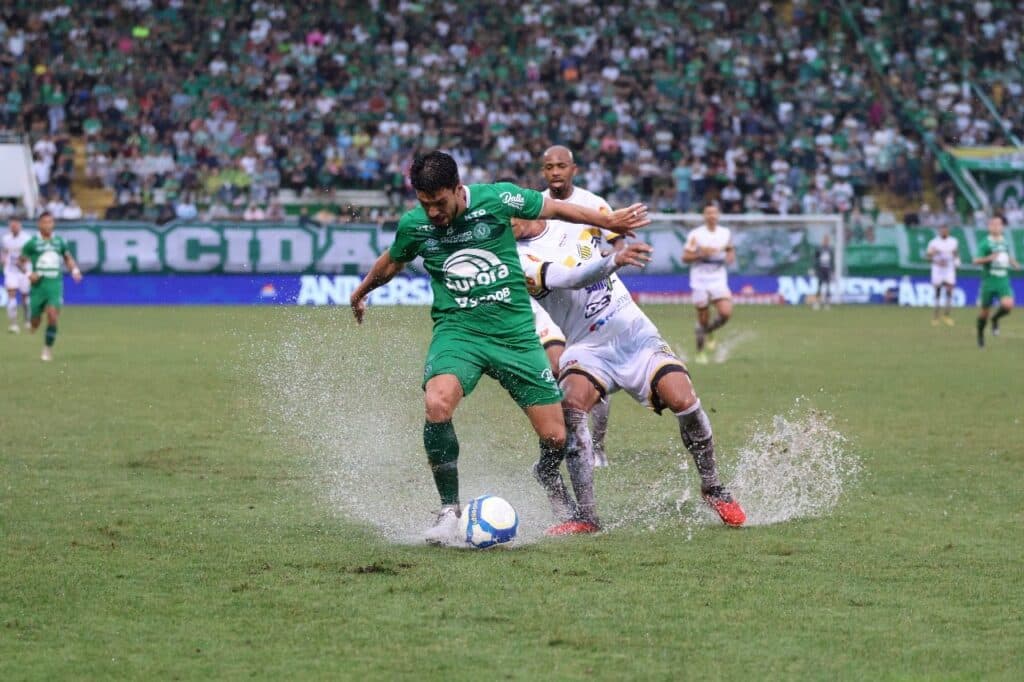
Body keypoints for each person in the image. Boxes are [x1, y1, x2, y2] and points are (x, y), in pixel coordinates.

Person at [349, 151, 649, 545]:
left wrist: (607, 221)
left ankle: (544, 472)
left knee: (556, 438)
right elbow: (393, 260)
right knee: (437, 403)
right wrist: (361, 291)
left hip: (516, 336)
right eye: (426, 205)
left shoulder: (497, 199)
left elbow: (556, 208)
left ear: (458, 189)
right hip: (459, 332)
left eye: (440, 203)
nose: (434, 213)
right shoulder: (415, 224)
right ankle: (447, 510)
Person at [516, 218, 746, 531]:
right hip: (587, 346)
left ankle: (712, 486)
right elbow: (570, 278)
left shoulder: (572, 219)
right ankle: (587, 517)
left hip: (635, 336)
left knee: (684, 401)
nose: (504, 225)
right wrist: (614, 260)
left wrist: (615, 224)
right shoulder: (516, 257)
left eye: (508, 216)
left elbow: (604, 220)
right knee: (572, 408)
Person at [535, 146, 621, 467]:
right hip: (551, 304)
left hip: (592, 303)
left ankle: (597, 445)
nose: (555, 172)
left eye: (561, 166)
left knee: (597, 376)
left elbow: (617, 240)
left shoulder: (593, 204)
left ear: (574, 169)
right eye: (548, 167)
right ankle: (574, 438)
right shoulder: (537, 206)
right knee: (560, 369)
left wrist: (610, 266)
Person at [17, 212, 83, 361]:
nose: (48, 225)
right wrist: (29, 274)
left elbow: (67, 258)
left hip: (55, 284)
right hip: (38, 286)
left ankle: (47, 349)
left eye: (50, 222)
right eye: (45, 222)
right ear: (39, 224)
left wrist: (75, 270)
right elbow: (20, 262)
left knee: (53, 316)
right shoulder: (32, 243)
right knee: (35, 321)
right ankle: (33, 321)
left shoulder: (59, 241)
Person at [683, 203, 735, 364]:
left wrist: (729, 257)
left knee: (726, 313)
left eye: (714, 213)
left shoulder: (725, 233)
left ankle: (709, 331)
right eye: (708, 213)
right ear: (704, 216)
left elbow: (730, 250)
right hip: (700, 280)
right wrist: (700, 254)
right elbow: (685, 258)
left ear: (718, 215)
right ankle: (700, 352)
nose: (711, 216)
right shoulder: (696, 235)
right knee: (703, 318)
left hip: (718, 278)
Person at [974, 214, 1019, 348]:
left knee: (1008, 305)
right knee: (983, 314)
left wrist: (1013, 262)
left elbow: (1005, 254)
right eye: (994, 224)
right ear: (989, 227)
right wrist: (989, 258)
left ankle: (995, 319)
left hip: (1003, 280)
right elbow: (975, 260)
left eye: (999, 224)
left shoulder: (1004, 241)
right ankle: (980, 335)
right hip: (989, 281)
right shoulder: (985, 243)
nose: (997, 227)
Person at [1, 219, 31, 332]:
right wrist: (3, 259)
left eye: (16, 225)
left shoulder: (27, 238)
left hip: (24, 271)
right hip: (11, 271)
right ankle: (13, 324)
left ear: (20, 226)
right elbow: (5, 252)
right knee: (12, 296)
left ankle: (27, 321)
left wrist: (22, 262)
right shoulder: (6, 239)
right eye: (11, 226)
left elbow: (30, 253)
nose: (13, 227)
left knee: (26, 298)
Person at [926, 224, 959, 326]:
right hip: (938, 269)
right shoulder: (934, 242)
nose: (944, 232)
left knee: (949, 290)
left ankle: (946, 315)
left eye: (945, 230)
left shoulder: (953, 241)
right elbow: (928, 256)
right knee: (938, 292)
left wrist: (957, 261)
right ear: (939, 231)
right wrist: (935, 256)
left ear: (948, 231)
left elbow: (955, 253)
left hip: (949, 269)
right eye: (942, 230)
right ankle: (936, 317)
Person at [813, 234, 835, 310]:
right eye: (824, 240)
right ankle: (817, 303)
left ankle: (827, 303)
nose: (825, 242)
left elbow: (832, 261)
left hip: (827, 270)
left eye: (827, 240)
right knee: (819, 286)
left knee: (828, 287)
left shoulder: (830, 250)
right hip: (821, 269)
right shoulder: (819, 249)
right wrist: (815, 269)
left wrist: (833, 271)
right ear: (823, 241)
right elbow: (815, 259)